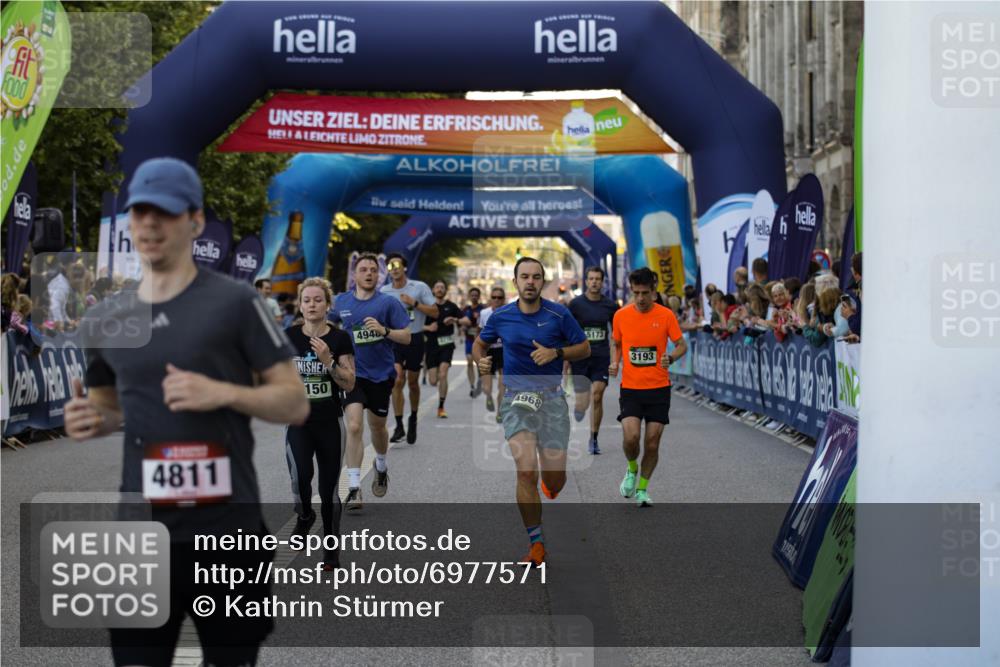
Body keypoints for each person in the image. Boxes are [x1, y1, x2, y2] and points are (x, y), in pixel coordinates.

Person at [63, 157, 309, 667]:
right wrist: (93, 419)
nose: (150, 223)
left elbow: (295, 402)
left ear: (195, 221)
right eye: (141, 212)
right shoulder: (106, 318)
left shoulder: (236, 302)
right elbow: (110, 407)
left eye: (166, 212)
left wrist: (223, 393)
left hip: (227, 531)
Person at [473, 257, 590, 566]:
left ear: (542, 281)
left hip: (551, 401)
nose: (530, 282)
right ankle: (536, 543)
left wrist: (556, 352)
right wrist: (479, 361)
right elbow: (479, 344)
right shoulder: (501, 316)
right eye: (524, 276)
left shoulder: (559, 314)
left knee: (555, 480)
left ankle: (550, 485)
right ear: (515, 281)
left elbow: (584, 348)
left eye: (536, 277)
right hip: (516, 400)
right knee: (525, 472)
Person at [284, 277, 356, 570]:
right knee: (299, 479)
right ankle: (304, 516)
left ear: (328, 305)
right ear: (300, 305)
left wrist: (328, 361)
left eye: (318, 300)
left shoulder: (339, 339)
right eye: (307, 300)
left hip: (329, 423)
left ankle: (331, 550)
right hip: (297, 421)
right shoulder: (288, 337)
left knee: (328, 491)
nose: (312, 305)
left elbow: (349, 383)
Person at [333, 253, 411, 510]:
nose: (368, 273)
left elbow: (407, 337)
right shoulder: (341, 301)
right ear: (354, 275)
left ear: (379, 276)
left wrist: (384, 331)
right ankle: (354, 488)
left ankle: (381, 465)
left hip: (380, 375)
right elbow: (327, 325)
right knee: (354, 426)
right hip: (352, 375)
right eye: (363, 269)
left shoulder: (388, 303)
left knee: (377, 428)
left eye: (373, 270)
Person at [610, 267, 687, 508]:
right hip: (631, 388)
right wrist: (615, 362)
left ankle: (642, 489)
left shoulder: (666, 316)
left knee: (652, 443)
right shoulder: (621, 316)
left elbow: (681, 345)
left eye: (645, 293)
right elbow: (617, 343)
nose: (641, 298)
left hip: (658, 388)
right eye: (636, 293)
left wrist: (671, 358)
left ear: (654, 292)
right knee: (631, 438)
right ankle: (632, 468)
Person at [380, 253, 438, 444]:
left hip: (415, 338)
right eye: (390, 266)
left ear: (404, 267)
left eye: (397, 265)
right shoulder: (384, 291)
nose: (394, 269)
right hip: (394, 338)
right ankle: (399, 425)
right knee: (398, 380)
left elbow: (435, 312)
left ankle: (412, 418)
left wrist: (414, 303)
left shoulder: (419, 287)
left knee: (412, 382)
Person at [567, 266, 618, 455]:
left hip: (601, 357)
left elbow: (617, 335)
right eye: (591, 279)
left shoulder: (610, 306)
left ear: (602, 282)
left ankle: (593, 438)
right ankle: (579, 408)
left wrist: (615, 359)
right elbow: (566, 331)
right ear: (586, 281)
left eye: (598, 279)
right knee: (583, 402)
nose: (594, 282)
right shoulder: (575, 305)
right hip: (580, 357)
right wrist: (565, 357)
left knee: (597, 395)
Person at [423, 279, 461, 418]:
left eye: (442, 287)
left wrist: (454, 320)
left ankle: (441, 407)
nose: (439, 289)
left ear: (445, 291)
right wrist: (428, 327)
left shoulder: (451, 306)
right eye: (437, 287)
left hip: (446, 344)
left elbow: (466, 320)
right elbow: (414, 325)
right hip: (431, 346)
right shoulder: (427, 307)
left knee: (443, 374)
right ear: (433, 290)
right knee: (433, 381)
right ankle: (438, 378)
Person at [478, 287, 507, 421]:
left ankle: (499, 412)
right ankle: (488, 396)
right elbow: (479, 333)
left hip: (503, 350)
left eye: (499, 298)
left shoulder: (508, 313)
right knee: (487, 387)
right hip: (488, 350)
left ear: (503, 299)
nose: (496, 300)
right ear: (490, 299)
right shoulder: (484, 313)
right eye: (494, 297)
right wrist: (479, 352)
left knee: (503, 384)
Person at [459, 287, 485, 397]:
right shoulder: (465, 309)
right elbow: (461, 323)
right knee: (469, 361)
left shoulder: (483, 309)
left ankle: (480, 379)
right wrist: (462, 329)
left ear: (479, 296)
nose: (474, 297)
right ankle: (472, 386)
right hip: (469, 340)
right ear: (469, 297)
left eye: (476, 295)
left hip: (480, 341)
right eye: (472, 295)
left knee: (479, 362)